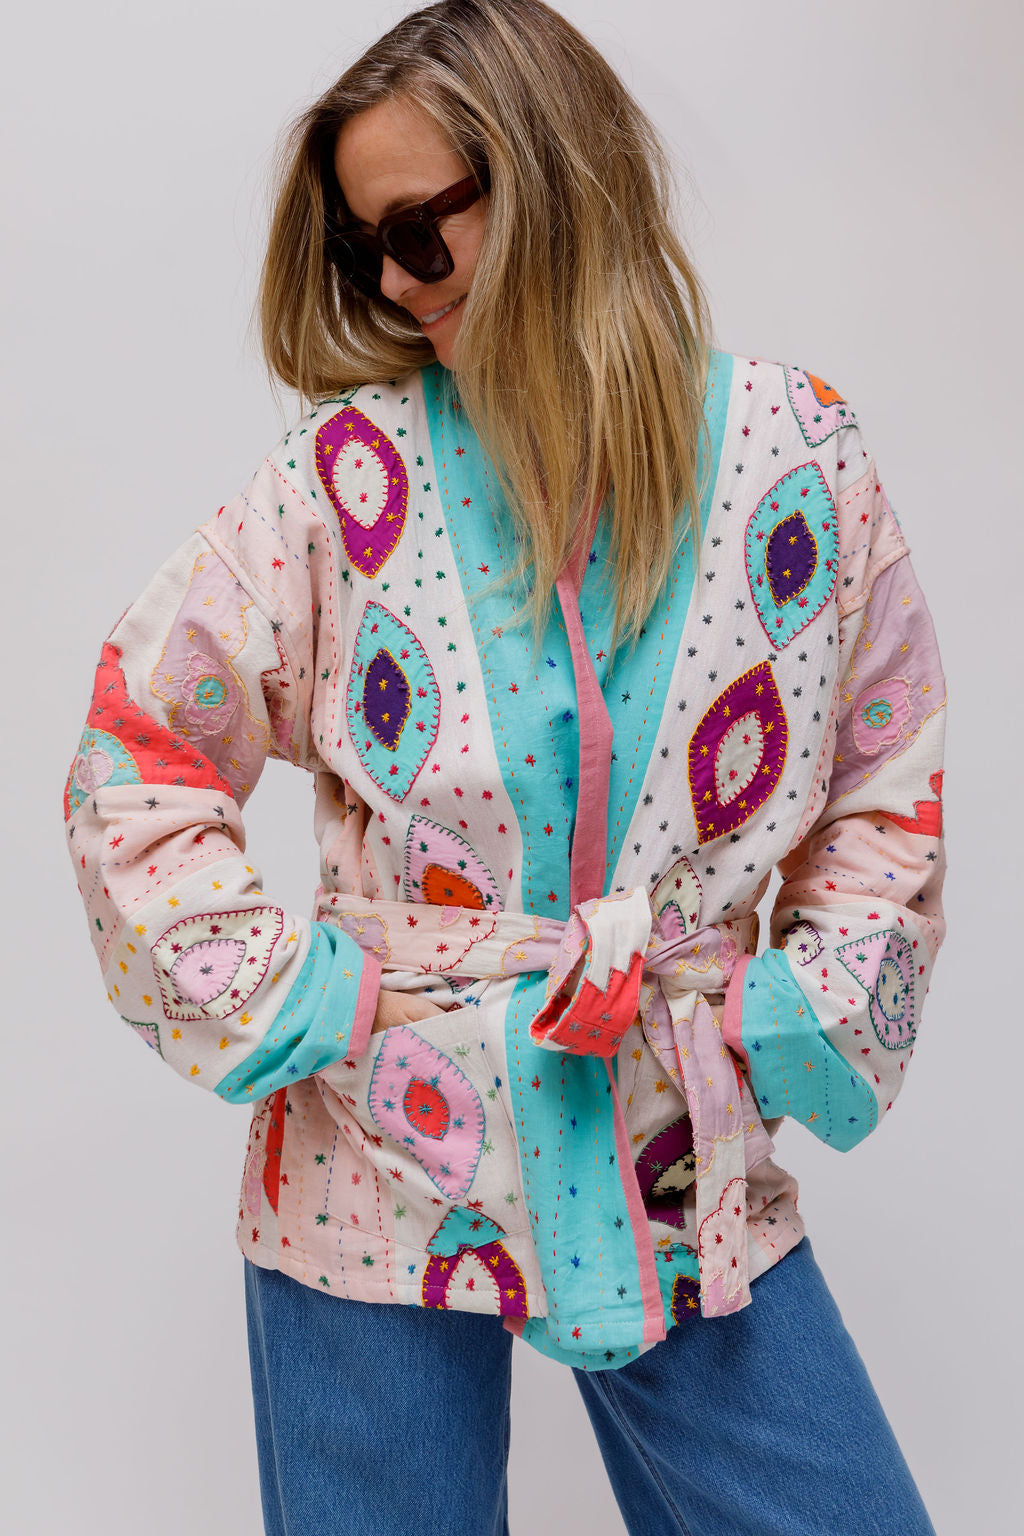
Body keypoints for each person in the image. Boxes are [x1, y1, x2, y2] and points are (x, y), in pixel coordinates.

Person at [63, 1, 947, 1531]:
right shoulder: (338, 488)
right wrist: (307, 1000)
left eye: (421, 232)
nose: (396, 288)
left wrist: (778, 1016)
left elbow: (887, 781)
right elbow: (135, 757)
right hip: (373, 1149)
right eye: (362, 252)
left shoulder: (796, 457)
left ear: (553, 177)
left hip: (679, 1139)